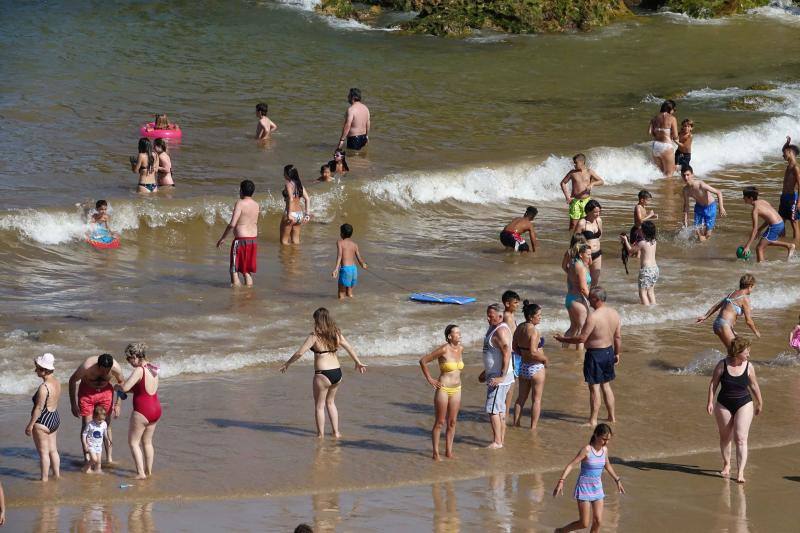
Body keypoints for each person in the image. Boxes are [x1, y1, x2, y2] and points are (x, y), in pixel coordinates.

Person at [280, 308, 367, 438]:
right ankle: (336, 432)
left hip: (322, 374)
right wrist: (358, 362)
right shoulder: (336, 333)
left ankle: (320, 435)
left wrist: (287, 363)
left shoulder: (314, 335)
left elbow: (299, 353)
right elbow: (349, 347)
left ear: (317, 320)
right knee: (331, 403)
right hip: (337, 373)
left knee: (319, 406)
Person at [555, 287, 622, 427]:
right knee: (606, 385)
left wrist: (563, 339)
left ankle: (593, 420)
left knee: (594, 388)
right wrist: (617, 353)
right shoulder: (614, 313)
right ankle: (612, 417)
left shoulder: (593, 317)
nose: (588, 300)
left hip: (596, 354)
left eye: (590, 298)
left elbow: (581, 338)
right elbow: (618, 337)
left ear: (597, 299)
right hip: (609, 351)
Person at [707, 336, 763, 483]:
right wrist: (710, 402)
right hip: (723, 403)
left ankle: (740, 472)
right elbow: (713, 384)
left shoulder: (749, 366)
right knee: (725, 437)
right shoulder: (722, 364)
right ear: (737, 352)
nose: (748, 355)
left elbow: (754, 386)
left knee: (741, 438)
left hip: (744, 403)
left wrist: (760, 402)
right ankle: (726, 465)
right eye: (746, 352)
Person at [552, 424, 624, 533]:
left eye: (608, 440)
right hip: (584, 488)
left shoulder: (605, 450)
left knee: (598, 521)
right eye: (604, 439)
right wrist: (561, 481)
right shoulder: (587, 450)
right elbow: (571, 464)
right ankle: (561, 531)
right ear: (596, 435)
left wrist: (617, 480)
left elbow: (607, 465)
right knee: (584, 523)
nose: (606, 442)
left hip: (597, 489)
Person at [418, 325, 464, 460]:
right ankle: (435, 453)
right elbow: (423, 361)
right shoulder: (444, 349)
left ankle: (449, 452)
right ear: (450, 336)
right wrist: (430, 379)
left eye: (460, 333)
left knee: (452, 422)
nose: (460, 335)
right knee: (440, 421)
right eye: (457, 333)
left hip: (457, 389)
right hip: (443, 388)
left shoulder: (461, 349)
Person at [116, 343, 161, 480]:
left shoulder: (139, 370)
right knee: (147, 442)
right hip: (156, 409)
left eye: (129, 359)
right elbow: (141, 389)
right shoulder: (153, 368)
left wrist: (117, 387)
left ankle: (141, 474)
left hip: (142, 410)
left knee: (133, 442)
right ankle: (148, 472)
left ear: (135, 357)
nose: (129, 362)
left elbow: (125, 388)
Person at [68, 353, 124, 464]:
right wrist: (73, 404)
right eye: (103, 370)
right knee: (87, 425)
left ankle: (109, 459)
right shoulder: (86, 367)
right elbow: (72, 380)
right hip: (87, 393)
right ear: (98, 366)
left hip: (105, 392)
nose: (105, 373)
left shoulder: (116, 368)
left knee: (106, 425)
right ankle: (88, 459)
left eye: (108, 371)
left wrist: (118, 404)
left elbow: (121, 382)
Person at [478, 304, 513, 449]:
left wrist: (501, 376)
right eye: (487, 315)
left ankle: (497, 442)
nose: (488, 318)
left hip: (499, 378)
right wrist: (485, 372)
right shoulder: (494, 327)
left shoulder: (501, 331)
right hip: (495, 375)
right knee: (499, 409)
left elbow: (506, 352)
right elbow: (494, 355)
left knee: (492, 410)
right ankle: (500, 440)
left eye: (490, 316)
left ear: (500, 316)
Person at [697, 274, 760, 351]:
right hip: (724, 325)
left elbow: (717, 305)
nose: (752, 290)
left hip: (719, 323)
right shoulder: (744, 298)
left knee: (742, 347)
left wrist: (705, 316)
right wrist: (756, 332)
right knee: (737, 351)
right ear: (750, 286)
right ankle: (723, 363)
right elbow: (748, 321)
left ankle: (731, 362)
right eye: (753, 287)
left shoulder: (732, 293)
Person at [216, 180, 259, 287]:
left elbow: (232, 224)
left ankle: (237, 296)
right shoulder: (256, 204)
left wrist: (223, 238)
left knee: (234, 270)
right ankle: (248, 293)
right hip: (253, 241)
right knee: (246, 271)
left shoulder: (240, 203)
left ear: (241, 191)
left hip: (241, 242)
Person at [25, 353, 61, 481]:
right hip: (54, 418)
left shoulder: (43, 387)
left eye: (37, 368)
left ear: (44, 370)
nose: (35, 370)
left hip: (43, 421)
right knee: (53, 451)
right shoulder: (57, 382)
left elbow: (39, 408)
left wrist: (30, 425)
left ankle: (44, 480)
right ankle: (57, 475)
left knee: (43, 453)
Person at [512, 302, 548, 430]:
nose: (540, 317)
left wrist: (523, 354)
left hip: (523, 366)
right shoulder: (534, 330)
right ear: (531, 317)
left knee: (520, 399)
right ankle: (533, 428)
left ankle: (516, 424)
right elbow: (533, 351)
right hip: (536, 367)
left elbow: (514, 347)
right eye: (538, 315)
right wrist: (545, 359)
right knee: (536, 400)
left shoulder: (520, 327)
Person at [741, 186, 795, 261]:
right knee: (766, 241)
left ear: (751, 198)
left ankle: (761, 267)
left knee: (759, 247)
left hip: (775, 226)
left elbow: (754, 230)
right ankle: (789, 246)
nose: (743, 198)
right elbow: (769, 219)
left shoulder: (755, 210)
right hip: (781, 223)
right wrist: (760, 229)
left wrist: (747, 246)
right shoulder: (763, 201)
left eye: (745, 197)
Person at [561, 154, 605, 231]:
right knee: (573, 225)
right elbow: (563, 183)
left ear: (582, 162)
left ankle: (584, 239)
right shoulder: (572, 173)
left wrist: (592, 184)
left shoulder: (589, 171)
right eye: (573, 163)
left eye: (575, 163)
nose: (574, 164)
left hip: (587, 201)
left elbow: (601, 181)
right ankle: (572, 241)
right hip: (575, 201)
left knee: (585, 223)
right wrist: (567, 197)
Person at [681, 166, 726, 241]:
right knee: (698, 232)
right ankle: (700, 247)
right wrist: (685, 219)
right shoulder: (685, 190)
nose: (686, 177)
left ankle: (703, 245)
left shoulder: (700, 185)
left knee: (707, 235)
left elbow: (718, 192)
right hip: (699, 208)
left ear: (692, 175)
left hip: (710, 208)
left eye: (688, 175)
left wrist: (721, 207)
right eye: (684, 175)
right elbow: (686, 206)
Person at [620, 221, 658, 305]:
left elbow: (630, 251)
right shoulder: (654, 241)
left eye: (641, 228)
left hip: (646, 270)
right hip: (655, 269)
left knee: (642, 293)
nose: (640, 229)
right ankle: (654, 309)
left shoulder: (642, 243)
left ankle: (647, 312)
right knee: (650, 292)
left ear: (644, 231)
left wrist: (625, 240)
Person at [563, 241, 592, 351]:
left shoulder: (574, 262)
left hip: (570, 299)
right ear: (581, 254)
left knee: (573, 327)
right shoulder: (580, 266)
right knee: (582, 330)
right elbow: (583, 288)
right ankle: (579, 358)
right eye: (588, 254)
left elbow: (563, 266)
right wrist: (593, 300)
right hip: (578, 300)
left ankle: (564, 350)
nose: (590, 256)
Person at [331, 223, 367, 299]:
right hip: (354, 269)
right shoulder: (354, 244)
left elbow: (339, 255)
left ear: (342, 234)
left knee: (341, 293)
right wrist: (362, 264)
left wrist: (336, 269)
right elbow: (359, 258)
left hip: (346, 270)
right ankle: (352, 306)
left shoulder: (340, 242)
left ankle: (342, 309)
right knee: (349, 293)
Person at [574, 200, 603, 287]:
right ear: (589, 211)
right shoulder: (582, 223)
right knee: (585, 280)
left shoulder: (599, 220)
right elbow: (575, 239)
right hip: (585, 255)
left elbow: (600, 235)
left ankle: (592, 299)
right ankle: (583, 298)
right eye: (595, 212)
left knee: (595, 281)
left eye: (599, 211)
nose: (598, 214)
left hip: (597, 254)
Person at [280, 165, 312, 245]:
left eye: (284, 173)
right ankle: (295, 257)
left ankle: (286, 257)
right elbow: (307, 199)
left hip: (291, 214)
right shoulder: (299, 185)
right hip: (299, 215)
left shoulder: (288, 184)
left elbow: (290, 199)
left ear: (288, 174)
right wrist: (307, 215)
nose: (283, 174)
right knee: (296, 241)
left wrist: (289, 214)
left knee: (284, 242)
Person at [501, 290, 521, 418]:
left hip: (515, 353)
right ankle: (506, 412)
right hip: (513, 354)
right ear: (507, 303)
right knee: (511, 383)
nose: (517, 305)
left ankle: (505, 411)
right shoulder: (507, 316)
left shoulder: (511, 315)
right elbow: (509, 336)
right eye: (515, 303)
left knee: (512, 382)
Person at [649, 100, 678, 177]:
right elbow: (675, 136)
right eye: (674, 110)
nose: (674, 112)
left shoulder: (654, 118)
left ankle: (661, 189)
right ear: (670, 109)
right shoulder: (672, 118)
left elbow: (650, 132)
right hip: (666, 146)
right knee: (669, 174)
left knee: (661, 174)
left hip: (655, 145)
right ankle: (667, 189)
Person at [779, 136, 800, 241]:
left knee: (794, 222)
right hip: (784, 197)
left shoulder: (796, 168)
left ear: (790, 152)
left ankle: (796, 245)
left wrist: (799, 203)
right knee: (780, 221)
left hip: (792, 198)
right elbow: (784, 149)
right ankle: (782, 241)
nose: (783, 155)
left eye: (784, 153)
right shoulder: (789, 166)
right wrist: (787, 143)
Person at [82, 405, 108, 474]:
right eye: (99, 420)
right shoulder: (90, 424)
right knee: (94, 459)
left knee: (99, 461)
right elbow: (84, 434)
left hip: (99, 446)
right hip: (91, 445)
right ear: (94, 417)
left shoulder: (104, 424)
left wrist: (107, 439)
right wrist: (85, 445)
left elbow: (105, 433)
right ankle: (86, 468)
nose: (101, 421)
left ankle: (98, 471)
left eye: (103, 419)